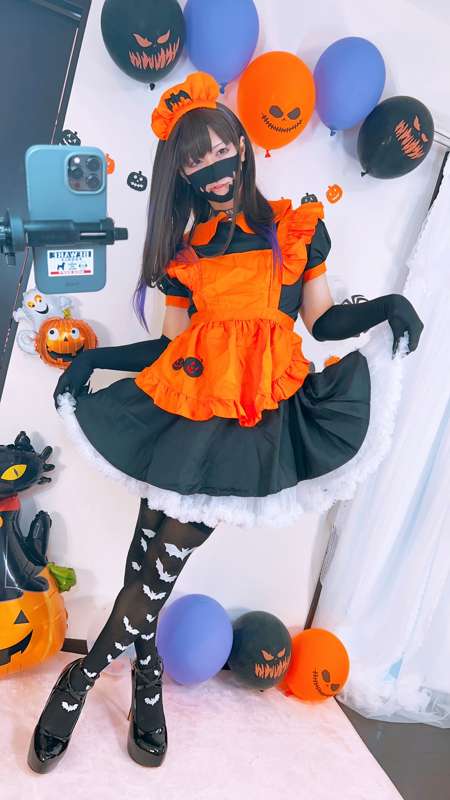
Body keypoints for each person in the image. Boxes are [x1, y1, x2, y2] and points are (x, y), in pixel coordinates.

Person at [27, 71, 423, 774]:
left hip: (249, 428)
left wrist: (385, 306)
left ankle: (77, 683)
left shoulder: (295, 232)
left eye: (217, 150)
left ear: (240, 146)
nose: (210, 168)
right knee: (144, 560)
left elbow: (322, 321)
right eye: (193, 161)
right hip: (184, 414)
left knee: (159, 568)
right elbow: (169, 346)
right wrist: (95, 359)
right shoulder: (187, 254)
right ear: (182, 174)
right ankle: (147, 684)